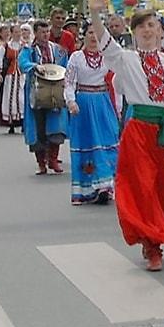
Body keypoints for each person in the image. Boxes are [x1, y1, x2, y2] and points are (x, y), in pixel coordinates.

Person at [95, 0, 164, 272]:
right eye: (141, 26)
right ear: (134, 32)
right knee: (141, 186)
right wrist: (95, 13)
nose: (147, 30)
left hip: (163, 132)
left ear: (160, 30)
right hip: (138, 130)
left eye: (152, 25)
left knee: (161, 188)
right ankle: (153, 246)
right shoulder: (126, 60)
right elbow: (105, 44)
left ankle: (153, 237)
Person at [63, 25, 122, 206]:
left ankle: (105, 186)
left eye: (97, 34)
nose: (94, 37)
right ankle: (87, 189)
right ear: (84, 36)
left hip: (103, 102)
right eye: (90, 33)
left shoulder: (107, 57)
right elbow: (69, 82)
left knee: (106, 142)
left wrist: (118, 107)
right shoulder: (76, 58)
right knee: (87, 144)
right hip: (84, 105)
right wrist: (71, 101)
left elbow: (117, 81)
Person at [20, 21, 71, 177]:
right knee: (38, 127)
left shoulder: (57, 50)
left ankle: (54, 160)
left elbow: (65, 65)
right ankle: (41, 163)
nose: (45, 34)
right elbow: (22, 63)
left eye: (47, 31)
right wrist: (34, 66)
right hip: (37, 92)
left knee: (56, 126)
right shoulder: (29, 50)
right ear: (35, 33)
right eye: (42, 32)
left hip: (55, 91)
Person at [0, 24, 25, 133]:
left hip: (22, 76)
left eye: (20, 32)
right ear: (12, 33)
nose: (18, 34)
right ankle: (11, 123)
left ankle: (22, 121)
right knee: (9, 98)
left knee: (22, 98)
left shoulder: (25, 46)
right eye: (16, 32)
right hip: (10, 76)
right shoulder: (5, 46)